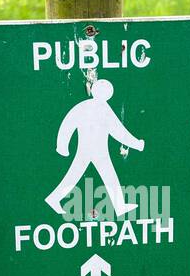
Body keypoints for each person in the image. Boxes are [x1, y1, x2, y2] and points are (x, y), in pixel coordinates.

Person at [45, 78, 144, 217]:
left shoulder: (83, 106)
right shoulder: (104, 109)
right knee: (101, 175)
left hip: (92, 150)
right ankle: (54, 199)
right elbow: (119, 132)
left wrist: (62, 147)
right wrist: (137, 144)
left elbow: (67, 124)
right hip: (96, 151)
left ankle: (119, 206)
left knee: (93, 175)